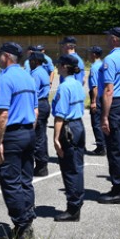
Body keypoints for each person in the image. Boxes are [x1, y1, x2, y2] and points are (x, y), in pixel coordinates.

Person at [0, 42, 38, 239]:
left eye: (0, 56)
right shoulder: (28, 77)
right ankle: (27, 218)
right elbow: (36, 110)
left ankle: (22, 226)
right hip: (28, 132)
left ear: (6, 57)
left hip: (12, 135)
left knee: (10, 181)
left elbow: (3, 114)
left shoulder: (6, 79)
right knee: (25, 179)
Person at [98, 27, 120, 204]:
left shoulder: (110, 60)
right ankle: (119, 185)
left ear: (114, 39)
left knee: (115, 147)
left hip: (116, 104)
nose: (107, 40)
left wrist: (104, 117)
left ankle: (118, 190)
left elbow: (108, 90)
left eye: (109, 37)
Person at [51, 55, 86, 221]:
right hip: (78, 125)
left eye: (59, 64)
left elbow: (60, 115)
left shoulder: (64, 87)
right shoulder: (77, 83)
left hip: (68, 128)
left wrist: (56, 138)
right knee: (77, 167)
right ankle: (77, 202)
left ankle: (73, 208)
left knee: (69, 169)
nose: (57, 67)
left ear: (65, 66)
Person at [29, 51, 52, 177]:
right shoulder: (43, 71)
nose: (29, 63)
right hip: (44, 103)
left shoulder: (36, 74)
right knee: (41, 135)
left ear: (35, 61)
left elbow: (34, 93)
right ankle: (42, 164)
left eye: (31, 61)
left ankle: (41, 166)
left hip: (39, 104)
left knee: (37, 136)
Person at [87, 46, 106, 156]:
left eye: (90, 53)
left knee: (96, 122)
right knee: (102, 119)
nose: (89, 55)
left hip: (97, 96)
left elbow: (94, 86)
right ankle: (104, 143)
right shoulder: (102, 64)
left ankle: (101, 146)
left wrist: (93, 101)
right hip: (103, 95)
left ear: (94, 54)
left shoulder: (94, 67)